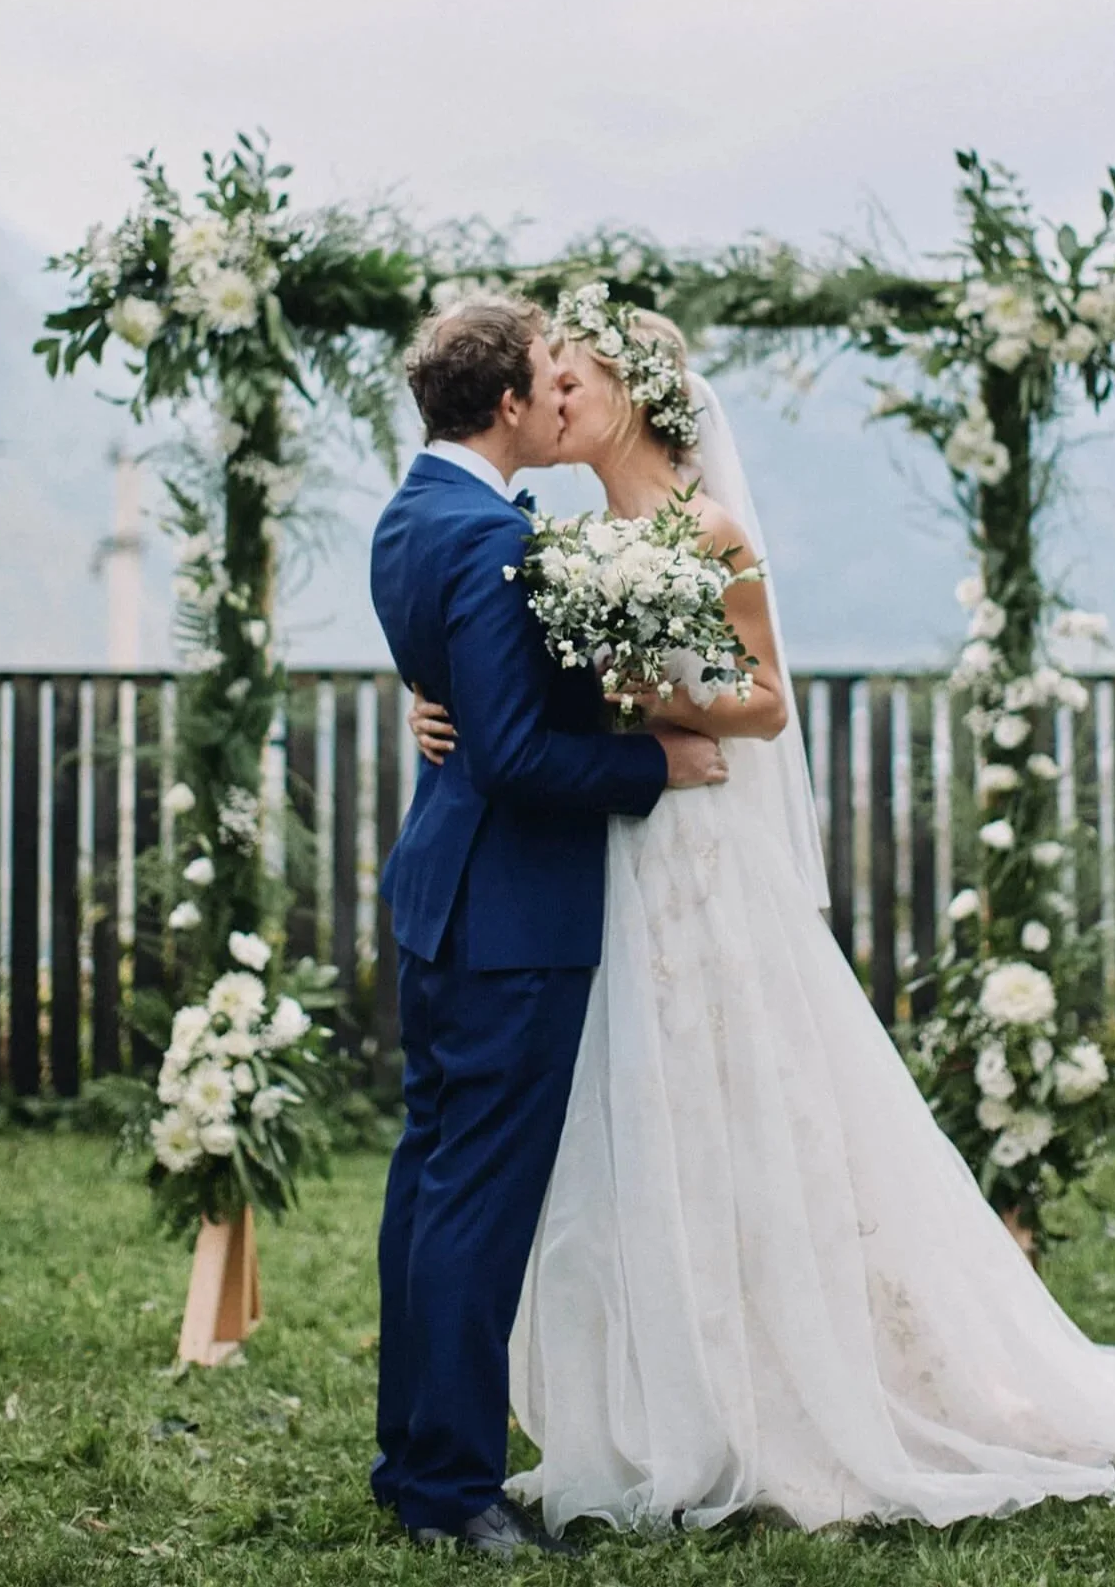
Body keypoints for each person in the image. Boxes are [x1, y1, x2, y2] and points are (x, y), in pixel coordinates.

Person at [409, 301, 1115, 1537]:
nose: (555, 398)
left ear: (632, 392)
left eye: (574, 378)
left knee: (741, 1091)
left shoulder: (707, 528)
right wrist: (435, 710)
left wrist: (655, 701)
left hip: (700, 847)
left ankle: (790, 1391)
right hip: (612, 859)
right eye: (548, 381)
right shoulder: (572, 541)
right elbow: (503, 685)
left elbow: (765, 707)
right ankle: (662, 1395)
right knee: (635, 1104)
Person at [368, 293, 728, 1558]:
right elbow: (516, 758)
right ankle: (451, 1489)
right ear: (511, 402)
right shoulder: (490, 541)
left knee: (427, 1187)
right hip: (509, 918)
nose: (558, 391)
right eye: (545, 376)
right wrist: (653, 770)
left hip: (440, 903)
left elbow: (461, 696)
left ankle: (409, 1456)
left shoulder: (412, 515)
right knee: (473, 1201)